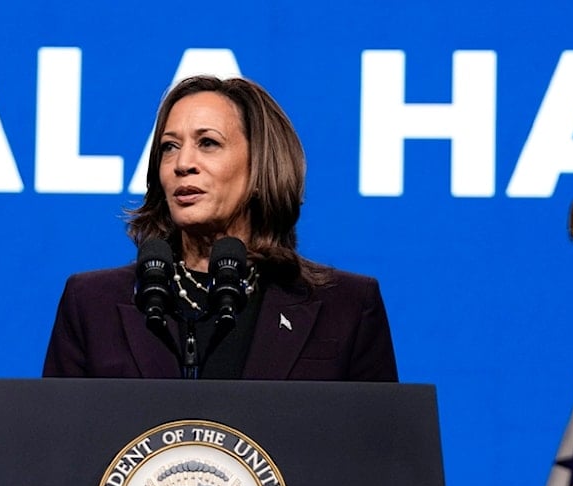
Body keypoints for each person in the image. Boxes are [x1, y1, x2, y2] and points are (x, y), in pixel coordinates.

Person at [42, 75, 397, 381]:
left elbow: (382, 454)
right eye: (169, 147)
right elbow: (56, 448)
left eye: (207, 143)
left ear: (260, 167)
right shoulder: (92, 304)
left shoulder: (346, 307)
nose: (183, 164)